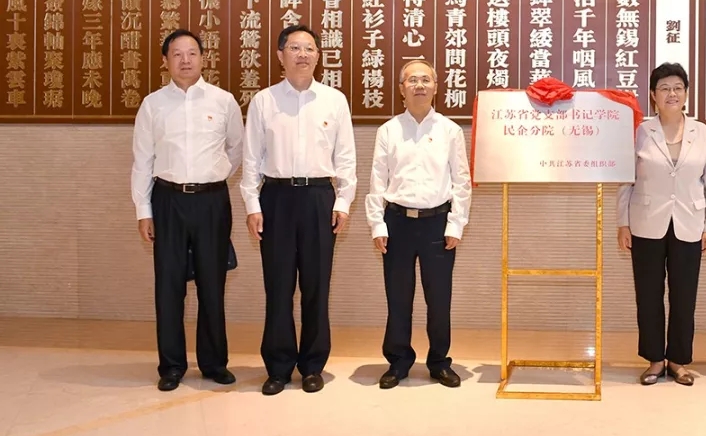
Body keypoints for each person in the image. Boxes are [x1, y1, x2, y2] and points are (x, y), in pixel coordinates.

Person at [241, 25, 357, 396]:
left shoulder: (334, 101)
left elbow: (346, 157)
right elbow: (251, 159)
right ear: (280, 55)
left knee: (316, 287)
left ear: (318, 56)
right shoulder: (264, 101)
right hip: (275, 199)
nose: (302, 54)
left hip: (319, 198)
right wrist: (252, 205)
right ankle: (278, 367)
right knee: (278, 287)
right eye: (294, 48)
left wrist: (343, 201)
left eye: (309, 48)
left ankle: (312, 366)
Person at [131, 29, 243, 391]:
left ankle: (214, 362)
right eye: (177, 54)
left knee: (212, 283)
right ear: (165, 61)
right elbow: (142, 160)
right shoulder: (153, 105)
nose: (185, 60)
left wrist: (215, 176)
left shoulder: (223, 101)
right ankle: (172, 366)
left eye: (192, 53)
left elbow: (236, 149)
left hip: (212, 201)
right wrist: (143, 210)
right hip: (168, 200)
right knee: (169, 286)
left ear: (203, 58)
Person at [366, 59, 472, 390]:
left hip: (437, 224)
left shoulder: (450, 131)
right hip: (397, 222)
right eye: (412, 80)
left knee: (439, 299)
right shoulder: (388, 130)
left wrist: (455, 225)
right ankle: (398, 361)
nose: (419, 85)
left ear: (436, 87)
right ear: (402, 89)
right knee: (398, 298)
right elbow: (377, 181)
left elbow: (462, 182)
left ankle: (439, 362)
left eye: (426, 79)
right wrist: (377, 225)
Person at [616, 62, 706, 386]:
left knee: (684, 296)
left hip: (690, 222)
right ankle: (654, 360)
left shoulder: (702, 132)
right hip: (645, 221)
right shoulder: (640, 131)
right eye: (664, 88)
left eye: (677, 88)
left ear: (686, 93)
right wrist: (622, 223)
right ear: (653, 95)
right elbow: (626, 179)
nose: (671, 93)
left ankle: (678, 360)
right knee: (648, 295)